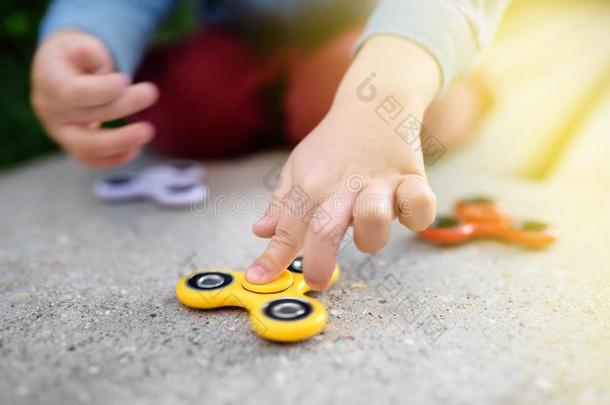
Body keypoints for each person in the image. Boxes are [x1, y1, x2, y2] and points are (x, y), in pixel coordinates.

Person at [31, 0, 510, 290]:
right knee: (183, 102)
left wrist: (385, 96)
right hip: (243, 38)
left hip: (381, 40)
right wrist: (82, 34)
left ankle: (450, 92)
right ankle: (295, 109)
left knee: (396, 103)